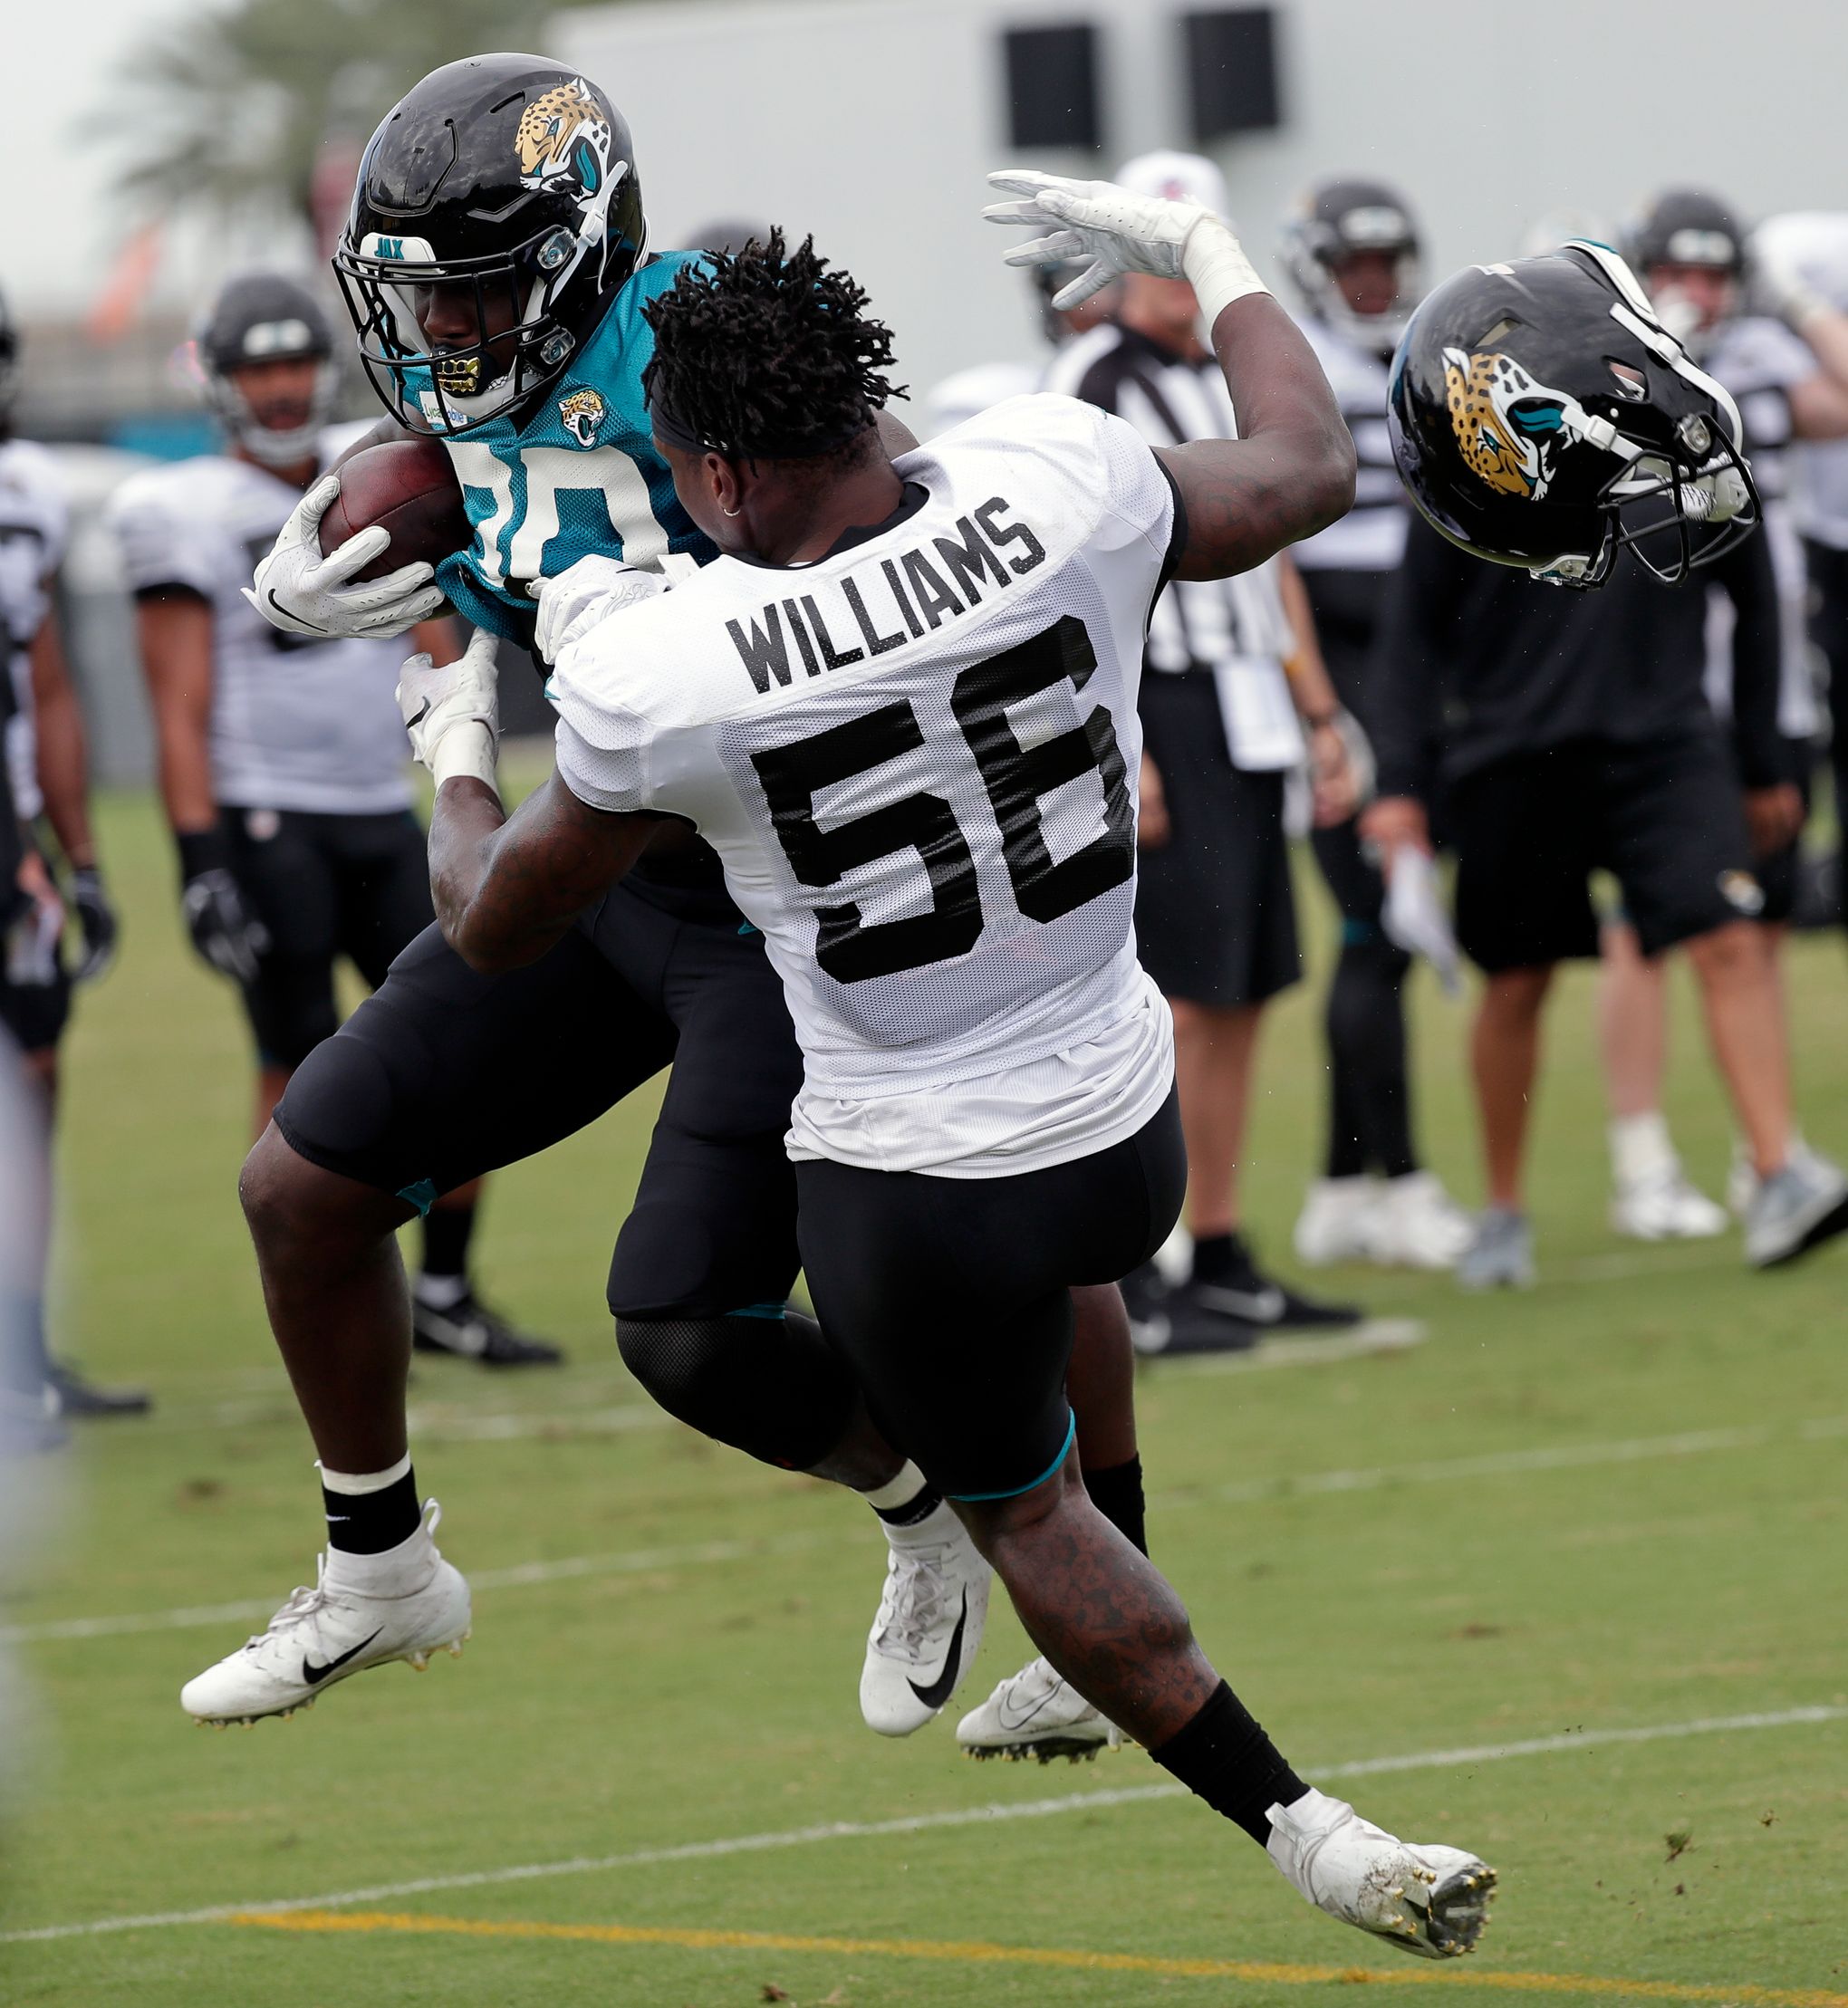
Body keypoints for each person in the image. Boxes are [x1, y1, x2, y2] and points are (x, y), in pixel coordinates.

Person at [398, 198, 1494, 1961]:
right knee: (1069, 1329)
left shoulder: (664, 663)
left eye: (688, 475)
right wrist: (1209, 242)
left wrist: (451, 737)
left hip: (916, 1172)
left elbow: (496, 922)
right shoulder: (1055, 472)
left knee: (1025, 1514)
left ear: (736, 477)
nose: (684, 505)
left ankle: (1308, 1826)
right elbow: (1299, 466)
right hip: (1128, 1130)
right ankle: (1099, 1607)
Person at [184, 53, 1033, 1741]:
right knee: (301, 1189)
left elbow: (900, 549)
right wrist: (421, 623)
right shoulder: (462, 386)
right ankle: (381, 1567)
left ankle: (926, 1505)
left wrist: (543, 690)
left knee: (686, 1326)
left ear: (576, 254)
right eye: (419, 296)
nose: (445, 331)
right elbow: (482, 558)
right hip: (601, 865)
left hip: (780, 901)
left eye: (479, 287)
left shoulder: (704, 334)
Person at [1368, 238, 1848, 1281]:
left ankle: (1779, 1168)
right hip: (1508, 754)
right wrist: (1400, 785)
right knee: (1516, 981)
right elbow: (1409, 643)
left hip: (1665, 736)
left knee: (1728, 934)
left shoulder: (1666, 438)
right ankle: (1502, 1209)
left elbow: (1753, 594)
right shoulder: (1470, 471)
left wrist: (1764, 756)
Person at [108, 273, 558, 1369]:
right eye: (258, 366)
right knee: (296, 1063)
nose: (280, 386)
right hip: (271, 819)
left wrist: (471, 769)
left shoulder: (379, 475)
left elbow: (448, 640)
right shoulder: (182, 509)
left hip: (379, 807)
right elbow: (179, 703)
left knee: (466, 1037)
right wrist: (200, 856)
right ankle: (311, 1283)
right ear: (219, 381)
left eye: (295, 362)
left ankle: (444, 1290)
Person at [1044, 151, 1364, 1354]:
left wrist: (1323, 712)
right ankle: (1141, 1265)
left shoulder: (1228, 376)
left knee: (1241, 987)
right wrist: (1115, 742)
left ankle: (1219, 1242)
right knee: (1169, 998)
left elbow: (1272, 555)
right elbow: (1065, 569)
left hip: (1244, 698)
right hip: (1156, 700)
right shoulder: (1095, 373)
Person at [1592, 192, 1848, 1236]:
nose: (1699, 292)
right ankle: (1641, 1156)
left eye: (1715, 273)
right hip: (1665, 691)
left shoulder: (1763, 357)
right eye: (1678, 273)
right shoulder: (1621, 370)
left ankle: (1763, 1149)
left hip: (1771, 676)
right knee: (1643, 932)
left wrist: (1794, 302)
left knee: (1757, 919)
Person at [1278, 176, 1469, 1271]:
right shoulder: (1290, 372)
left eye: (1384, 264)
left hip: (1414, 670)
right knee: (1373, 926)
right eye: (1354, 265)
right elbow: (1279, 563)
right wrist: (1321, 711)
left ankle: (1343, 1180)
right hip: (1340, 678)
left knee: (1383, 938)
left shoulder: (1428, 360)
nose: (1374, 284)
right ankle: (1400, 1180)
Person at [0, 283, 140, 1424]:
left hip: (14, 837)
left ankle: (24, 1351)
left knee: (34, 1084)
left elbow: (46, 683)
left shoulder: (32, 494)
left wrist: (77, 850)